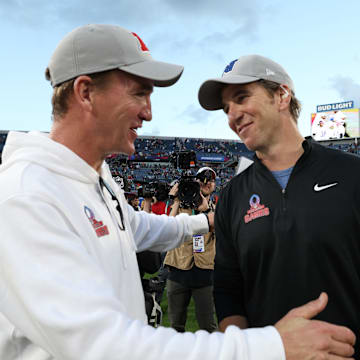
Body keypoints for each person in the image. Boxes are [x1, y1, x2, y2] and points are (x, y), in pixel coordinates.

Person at [0, 26, 355, 360]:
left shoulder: (96, 179)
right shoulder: (26, 195)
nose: (149, 112)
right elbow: (105, 345)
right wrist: (270, 347)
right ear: (85, 92)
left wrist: (202, 220)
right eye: (139, 92)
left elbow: (134, 226)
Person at [198, 54, 358, 357]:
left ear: (281, 95)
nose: (232, 115)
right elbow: (228, 290)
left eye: (242, 97)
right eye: (226, 108)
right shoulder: (232, 196)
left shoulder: (351, 175)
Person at [164, 167, 217, 333]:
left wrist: (206, 210)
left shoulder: (216, 209)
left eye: (211, 179)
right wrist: (177, 201)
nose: (207, 182)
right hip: (178, 271)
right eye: (202, 179)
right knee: (175, 327)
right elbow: (167, 232)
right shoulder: (179, 208)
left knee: (208, 327)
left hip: (205, 274)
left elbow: (224, 233)